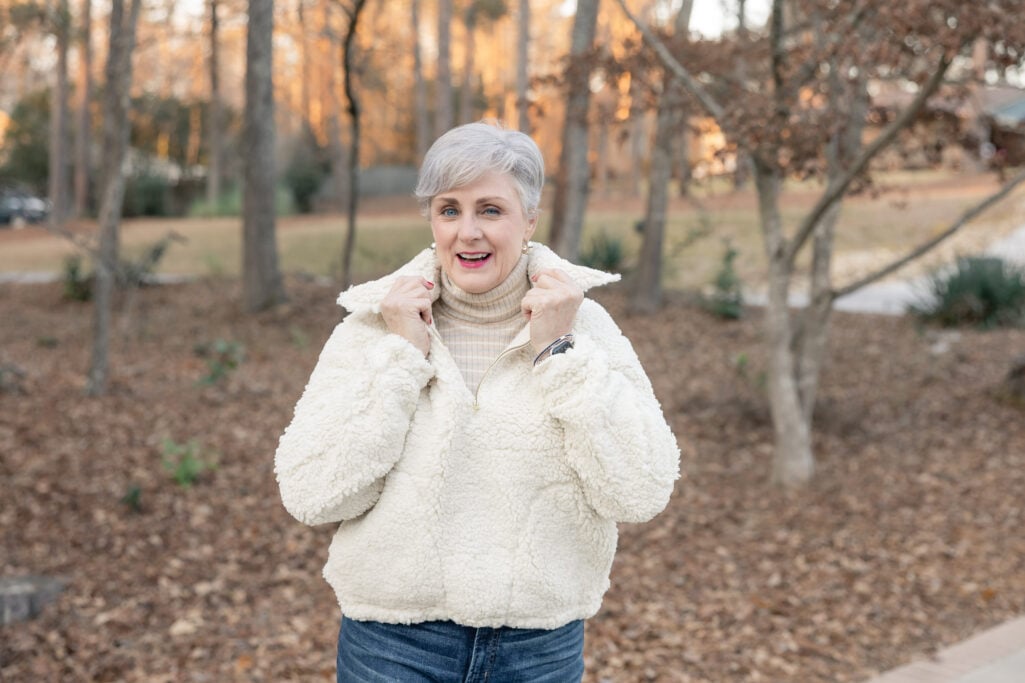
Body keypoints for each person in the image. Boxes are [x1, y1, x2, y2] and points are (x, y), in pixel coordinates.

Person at [274, 121, 680, 682]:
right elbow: (311, 493)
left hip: (538, 651)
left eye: (490, 210)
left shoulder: (584, 327)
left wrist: (559, 353)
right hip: (394, 647)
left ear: (530, 219)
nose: (468, 232)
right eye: (449, 210)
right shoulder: (375, 324)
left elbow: (641, 489)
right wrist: (400, 358)